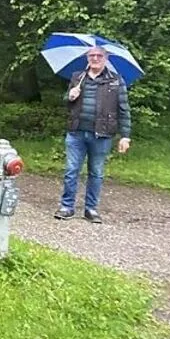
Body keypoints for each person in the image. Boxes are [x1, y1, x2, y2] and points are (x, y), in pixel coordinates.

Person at [54, 46, 131, 223]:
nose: (95, 58)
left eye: (99, 55)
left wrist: (125, 135)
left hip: (102, 135)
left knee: (96, 173)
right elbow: (67, 103)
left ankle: (91, 209)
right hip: (76, 132)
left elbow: (124, 110)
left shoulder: (116, 81)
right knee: (71, 170)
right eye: (91, 55)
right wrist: (70, 96)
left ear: (106, 58)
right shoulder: (77, 77)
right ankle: (67, 207)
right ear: (87, 57)